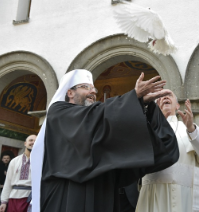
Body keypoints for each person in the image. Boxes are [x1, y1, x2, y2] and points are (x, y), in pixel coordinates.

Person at [31, 69, 179, 212]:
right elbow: (94, 118)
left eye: (94, 88)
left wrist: (140, 104)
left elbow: (113, 125)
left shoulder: (97, 116)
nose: (93, 91)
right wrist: (133, 97)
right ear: (70, 92)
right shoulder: (58, 112)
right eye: (85, 87)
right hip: (69, 192)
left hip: (101, 191)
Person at [136, 89, 199, 212]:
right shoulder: (147, 128)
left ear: (177, 105)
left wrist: (191, 128)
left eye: (168, 95)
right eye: (160, 97)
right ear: (156, 105)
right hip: (153, 192)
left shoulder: (188, 128)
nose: (165, 97)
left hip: (184, 195)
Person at [0, 134, 36, 212]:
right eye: (31, 140)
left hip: (31, 198)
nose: (33, 142)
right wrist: (4, 201)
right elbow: (8, 182)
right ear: (25, 143)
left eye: (35, 141)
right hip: (14, 197)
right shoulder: (14, 161)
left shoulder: (41, 161)